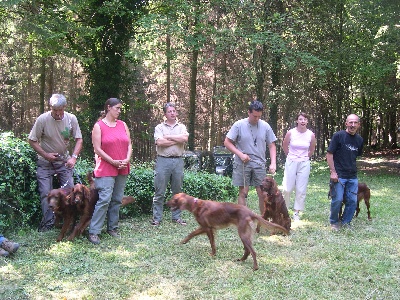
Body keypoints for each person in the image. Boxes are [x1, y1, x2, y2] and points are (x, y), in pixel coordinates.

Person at [28, 94, 83, 232]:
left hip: (64, 162)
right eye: (54, 110)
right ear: (50, 108)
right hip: (45, 163)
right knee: (46, 192)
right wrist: (46, 155)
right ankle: (48, 223)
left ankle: (69, 220)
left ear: (65, 107)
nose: (58, 113)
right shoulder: (43, 119)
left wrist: (74, 158)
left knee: (70, 191)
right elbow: (32, 140)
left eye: (60, 110)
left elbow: (79, 139)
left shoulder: (71, 119)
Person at [88, 98, 132, 244]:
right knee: (104, 199)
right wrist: (112, 161)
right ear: (109, 108)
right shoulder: (98, 126)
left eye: (120, 108)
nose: (119, 111)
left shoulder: (123, 125)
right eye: (117, 108)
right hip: (106, 167)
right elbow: (97, 149)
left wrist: (126, 159)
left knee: (117, 199)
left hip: (122, 166)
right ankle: (94, 231)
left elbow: (129, 144)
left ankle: (112, 228)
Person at [224, 100, 277, 214]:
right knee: (243, 192)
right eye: (254, 116)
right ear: (248, 112)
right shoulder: (239, 125)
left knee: (262, 193)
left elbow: (272, 145)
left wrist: (273, 163)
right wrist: (240, 154)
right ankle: (243, 220)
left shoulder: (265, 126)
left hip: (259, 163)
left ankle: (263, 221)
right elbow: (227, 142)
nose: (256, 119)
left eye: (259, 116)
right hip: (242, 162)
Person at [151, 102, 189, 226]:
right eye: (169, 111)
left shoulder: (181, 127)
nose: (172, 113)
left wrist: (169, 137)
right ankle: (157, 218)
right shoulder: (159, 128)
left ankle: (176, 217)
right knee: (159, 190)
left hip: (178, 161)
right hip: (163, 161)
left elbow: (184, 139)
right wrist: (176, 140)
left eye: (174, 111)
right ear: (165, 114)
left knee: (177, 191)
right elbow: (160, 142)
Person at [327, 114, 363, 231]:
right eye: (350, 122)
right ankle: (334, 222)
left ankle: (346, 222)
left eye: (355, 123)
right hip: (339, 175)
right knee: (337, 199)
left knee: (352, 201)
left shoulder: (359, 140)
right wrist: (333, 172)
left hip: (352, 176)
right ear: (346, 123)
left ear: (358, 125)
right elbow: (329, 154)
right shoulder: (338, 136)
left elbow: (355, 156)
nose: (352, 125)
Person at [282, 112, 316, 221]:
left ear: (307, 121)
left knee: (301, 189)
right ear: (297, 121)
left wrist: (305, 157)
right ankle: (284, 210)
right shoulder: (290, 133)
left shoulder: (311, 134)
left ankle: (296, 212)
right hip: (291, 161)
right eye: (301, 119)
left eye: (305, 119)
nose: (303, 121)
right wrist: (291, 156)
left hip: (304, 163)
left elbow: (311, 149)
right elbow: (284, 145)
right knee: (287, 188)